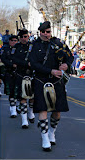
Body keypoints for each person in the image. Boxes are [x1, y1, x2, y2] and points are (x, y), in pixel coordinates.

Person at [29, 21, 73, 151]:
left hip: (56, 80)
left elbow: (69, 57)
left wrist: (67, 65)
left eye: (48, 32)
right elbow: (34, 63)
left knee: (57, 112)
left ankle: (51, 132)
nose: (47, 34)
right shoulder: (34, 45)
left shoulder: (58, 43)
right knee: (42, 110)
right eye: (44, 32)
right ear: (40, 32)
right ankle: (44, 138)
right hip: (40, 80)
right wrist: (50, 71)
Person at [12, 29, 35, 128]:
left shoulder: (33, 46)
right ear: (19, 38)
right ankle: (24, 120)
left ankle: (30, 112)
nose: (25, 38)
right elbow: (14, 59)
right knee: (23, 97)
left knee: (32, 97)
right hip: (21, 74)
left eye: (26, 36)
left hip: (32, 74)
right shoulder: (16, 47)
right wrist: (26, 63)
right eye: (23, 37)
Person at [0, 35, 19, 117]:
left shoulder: (20, 48)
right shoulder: (5, 49)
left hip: (19, 72)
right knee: (11, 91)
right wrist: (12, 65)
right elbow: (3, 58)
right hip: (9, 71)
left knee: (19, 91)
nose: (14, 42)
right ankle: (13, 109)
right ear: (9, 41)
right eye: (12, 40)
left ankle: (18, 105)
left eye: (15, 40)